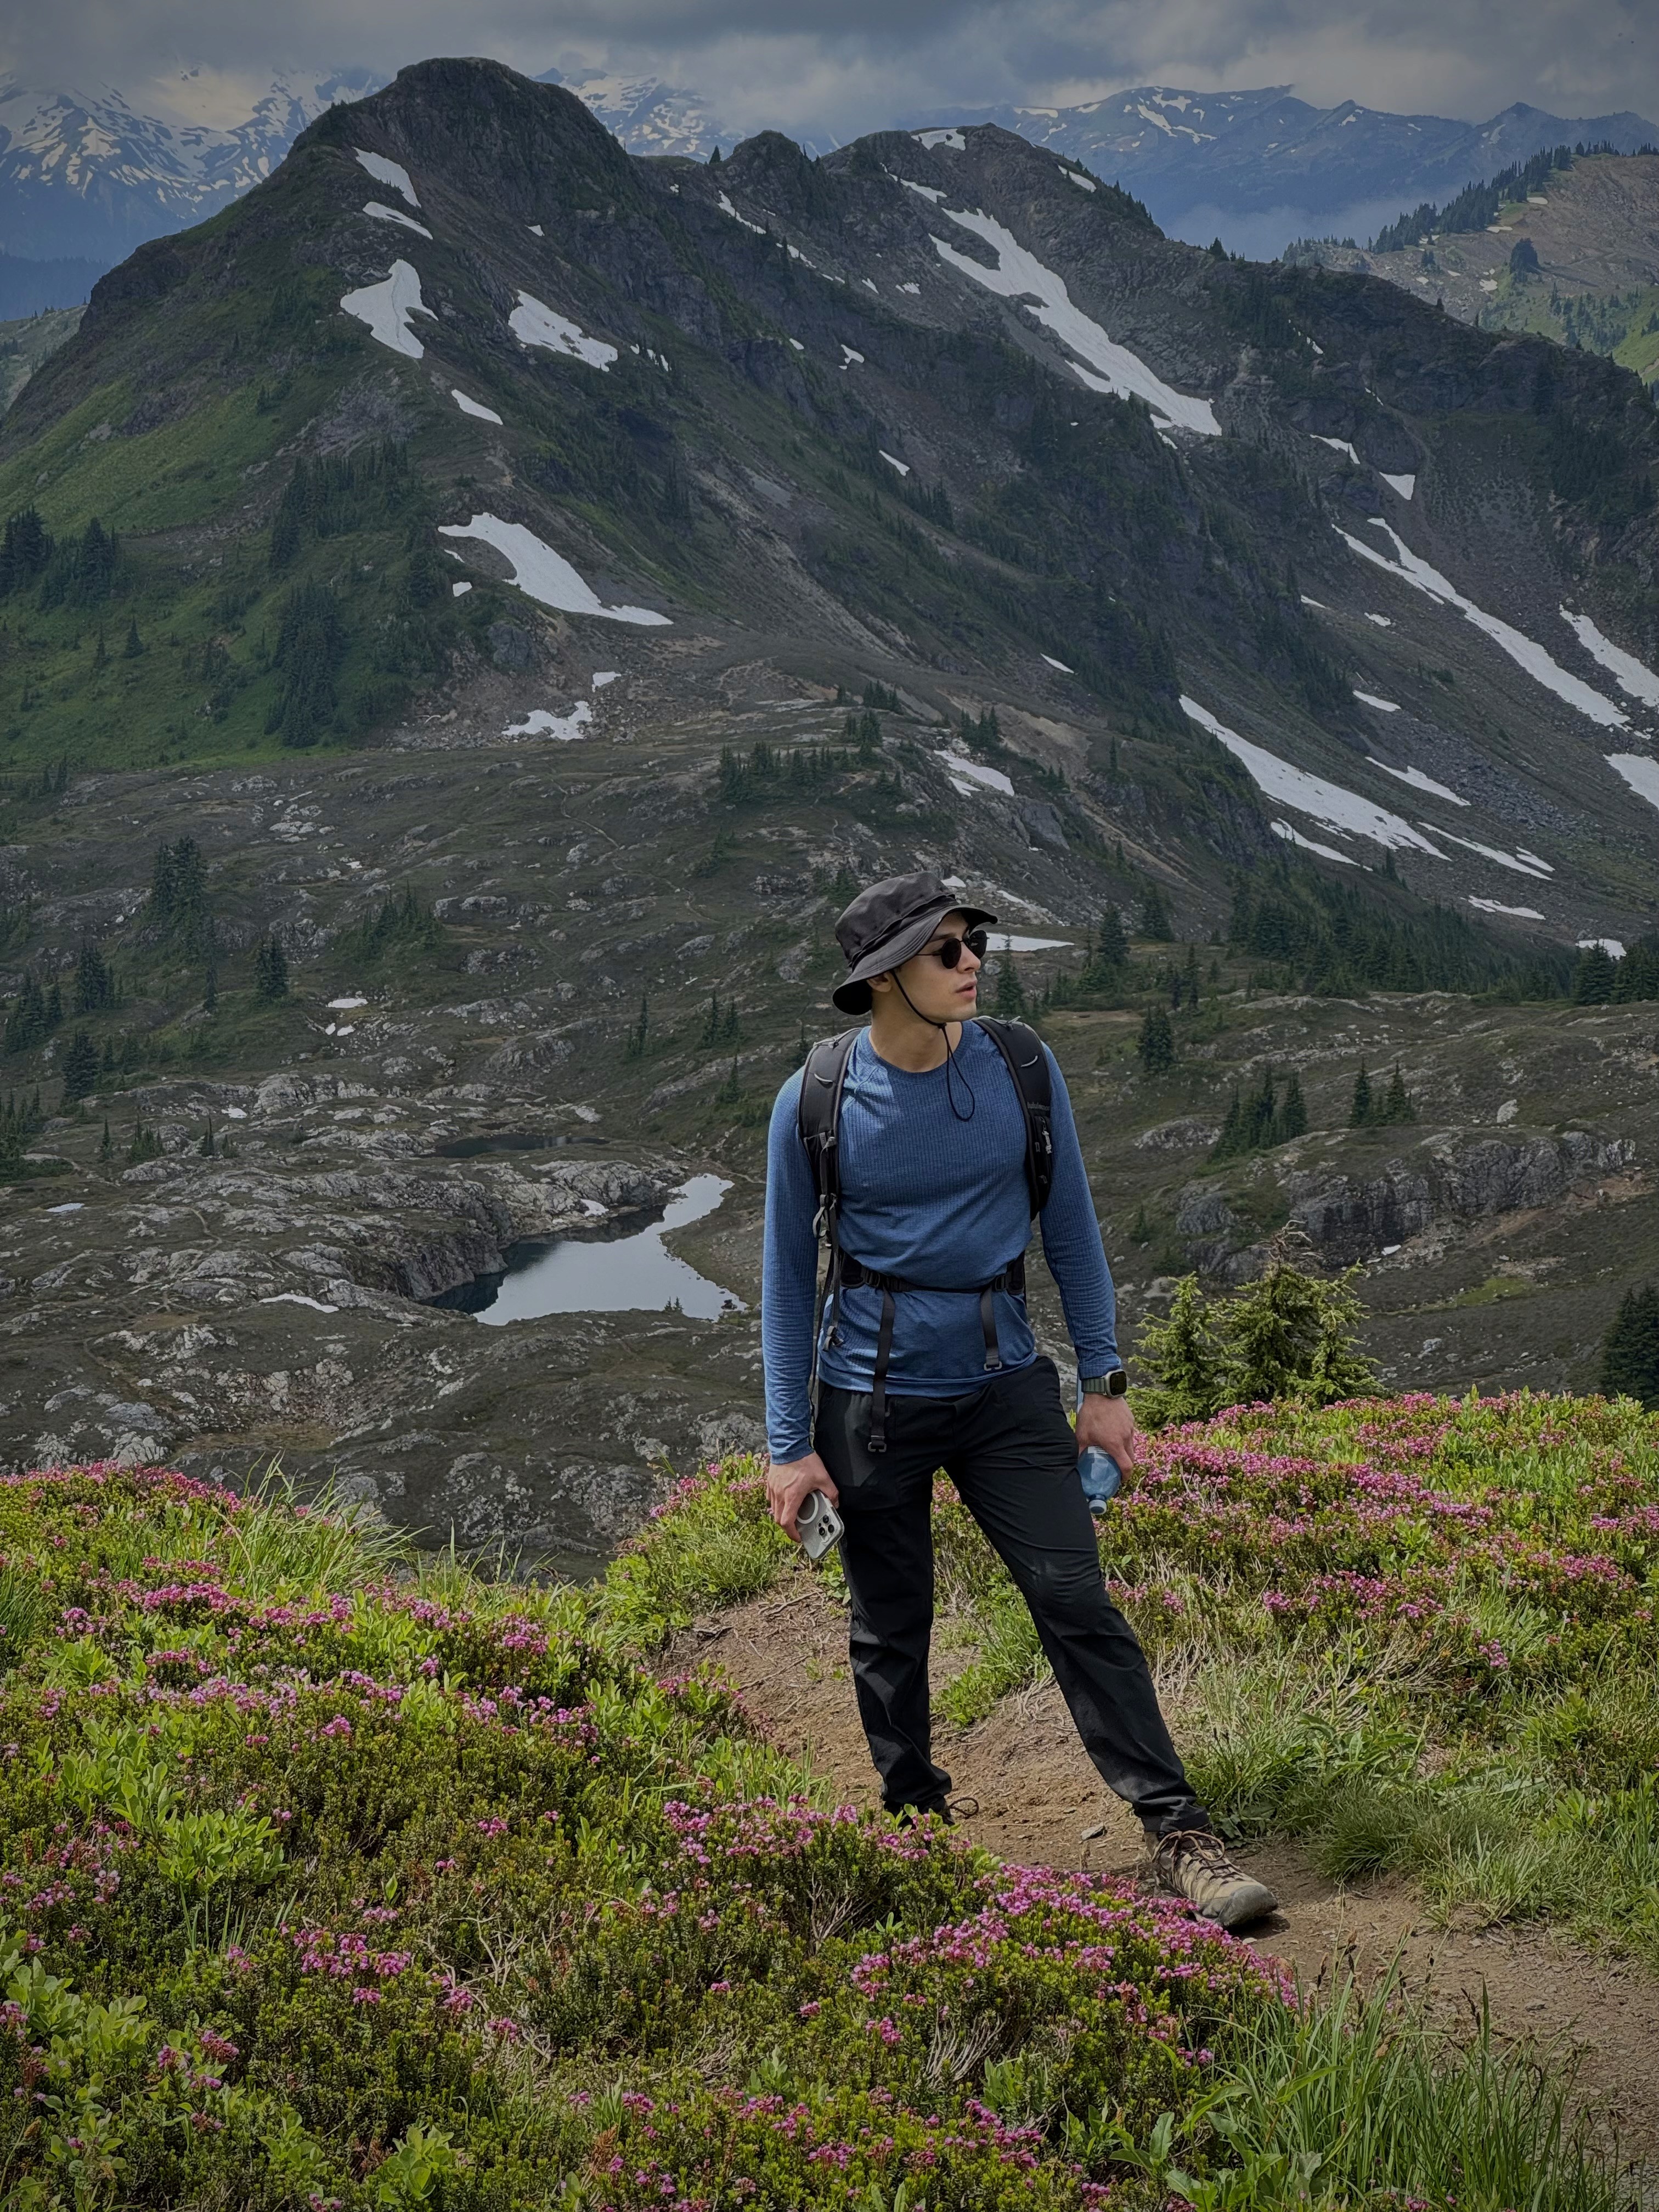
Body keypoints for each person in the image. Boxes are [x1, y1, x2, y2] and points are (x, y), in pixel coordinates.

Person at [761, 869, 1277, 1931]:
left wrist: (1106, 1383)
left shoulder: (1023, 1069)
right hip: (868, 1405)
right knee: (889, 1627)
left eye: (972, 943)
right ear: (884, 978)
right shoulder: (813, 1101)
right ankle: (917, 1825)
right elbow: (781, 1280)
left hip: (1006, 1390)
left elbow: (1074, 1232)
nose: (971, 963)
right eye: (945, 950)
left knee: (1076, 1600)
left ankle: (1179, 1832)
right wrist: (787, 1445)